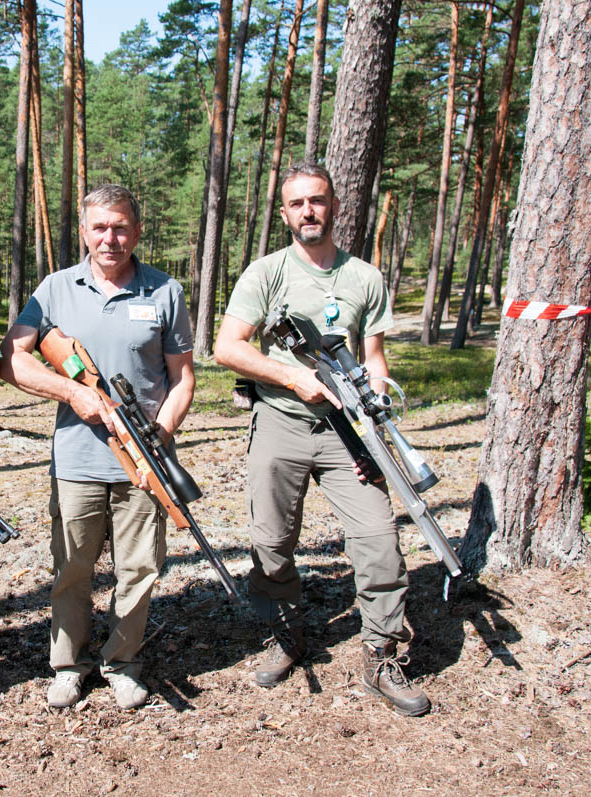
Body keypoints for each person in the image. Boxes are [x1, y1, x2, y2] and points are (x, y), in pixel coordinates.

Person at [212, 162, 430, 717]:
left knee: (380, 540)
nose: (308, 211)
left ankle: (382, 654)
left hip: (346, 434)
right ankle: (287, 635)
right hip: (281, 424)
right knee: (270, 541)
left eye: (317, 200)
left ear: (334, 205)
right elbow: (228, 347)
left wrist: (374, 427)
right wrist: (292, 377)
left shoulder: (366, 278)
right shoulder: (266, 273)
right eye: (297, 204)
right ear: (284, 213)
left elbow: (374, 358)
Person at [0, 184, 195, 710]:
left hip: (144, 460)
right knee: (72, 570)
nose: (111, 238)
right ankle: (68, 665)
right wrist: (72, 392)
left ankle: (122, 662)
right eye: (100, 228)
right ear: (84, 232)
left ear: (138, 230)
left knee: (139, 568)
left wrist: (163, 430)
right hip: (77, 459)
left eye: (122, 227)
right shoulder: (55, 290)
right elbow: (13, 359)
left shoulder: (164, 291)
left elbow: (183, 379)